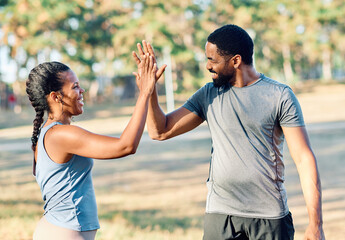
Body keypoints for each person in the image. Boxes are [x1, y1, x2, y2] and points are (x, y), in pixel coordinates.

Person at [132, 25, 325, 240]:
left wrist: (315, 224)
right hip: (220, 215)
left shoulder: (280, 96)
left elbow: (304, 159)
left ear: (235, 60)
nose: (207, 66)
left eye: (213, 60)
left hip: (269, 217)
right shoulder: (208, 94)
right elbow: (160, 131)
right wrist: (149, 92)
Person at [26, 55, 161, 240]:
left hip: (56, 230)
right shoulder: (60, 135)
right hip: (63, 233)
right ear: (56, 97)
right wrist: (145, 92)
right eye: (74, 86)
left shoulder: (50, 133)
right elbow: (126, 146)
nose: (82, 90)